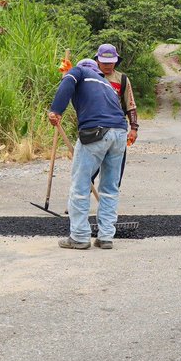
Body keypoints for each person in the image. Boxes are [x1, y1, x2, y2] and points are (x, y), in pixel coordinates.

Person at [48, 58, 129, 250]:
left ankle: (79, 236)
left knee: (80, 185)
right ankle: (106, 237)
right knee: (110, 188)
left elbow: (68, 82)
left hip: (96, 132)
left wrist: (56, 110)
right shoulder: (107, 84)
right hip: (120, 134)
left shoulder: (80, 72)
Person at [94, 44, 138, 145]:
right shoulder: (90, 77)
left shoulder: (122, 79)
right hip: (95, 126)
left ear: (116, 61)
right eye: (104, 62)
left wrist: (134, 128)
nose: (108, 65)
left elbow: (130, 105)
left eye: (110, 62)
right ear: (97, 61)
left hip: (117, 126)